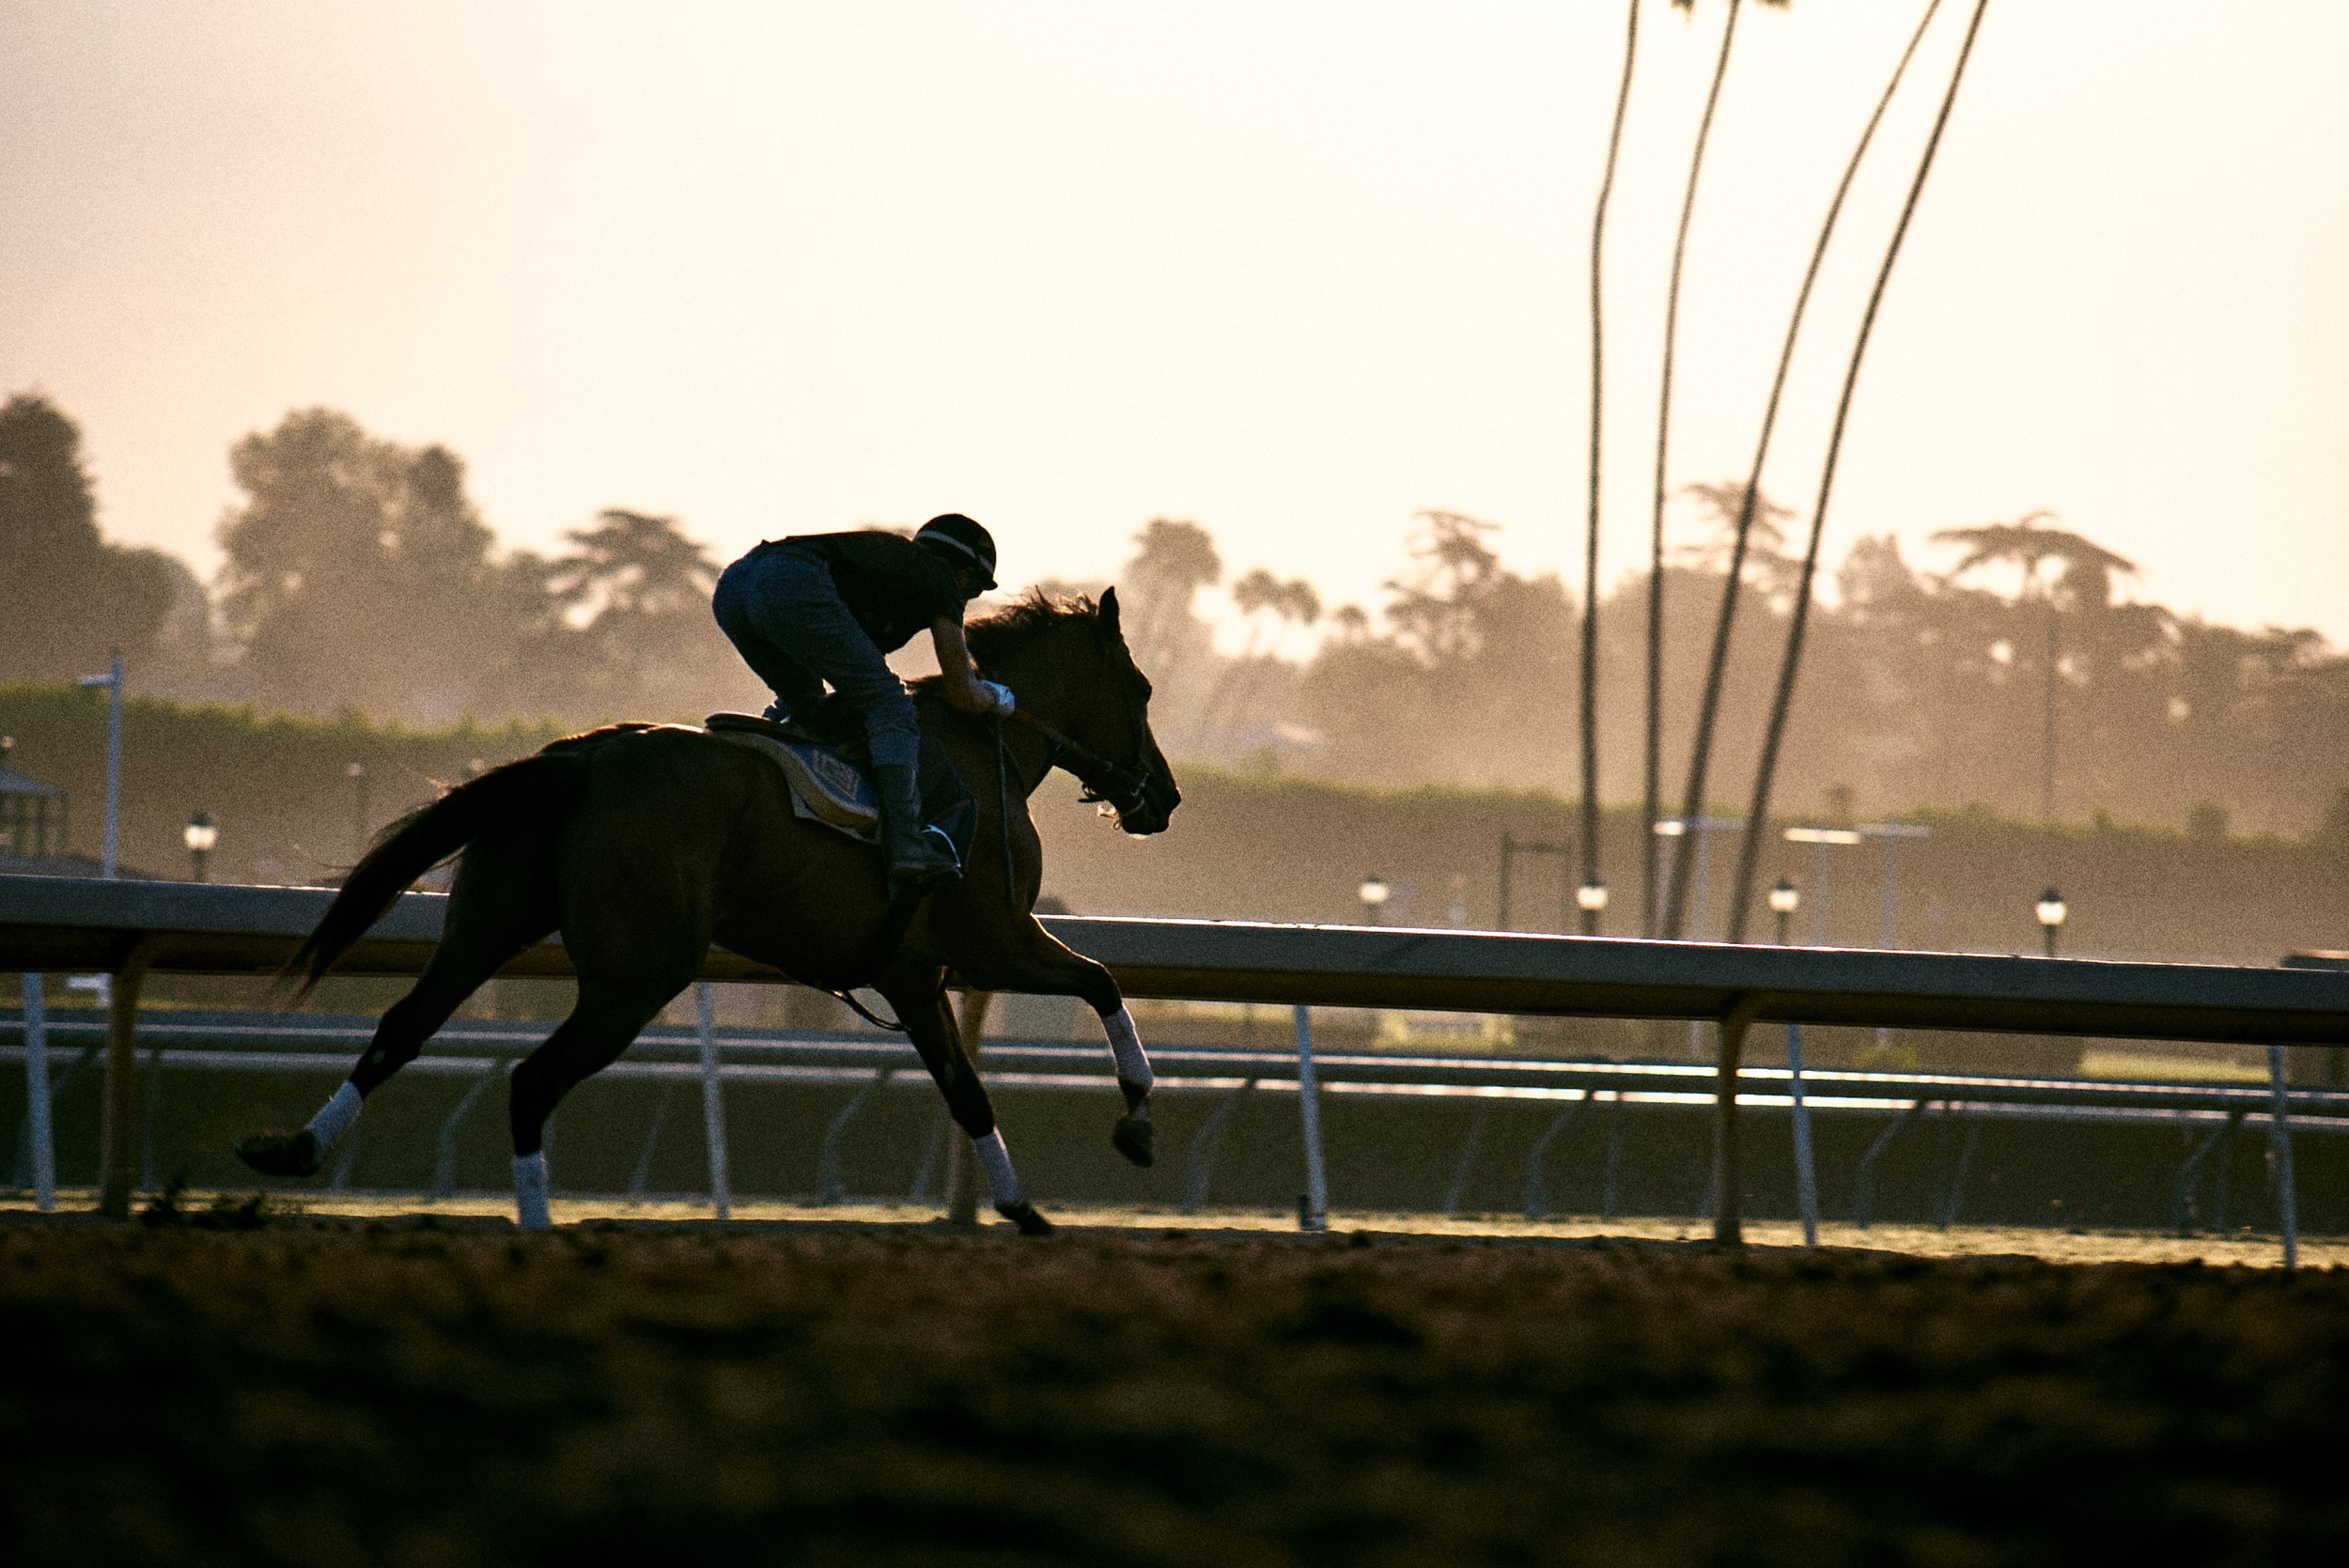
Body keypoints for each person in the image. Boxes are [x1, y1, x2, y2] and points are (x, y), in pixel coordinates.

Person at [711, 513, 1013, 883]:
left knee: (807, 704)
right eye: (976, 587)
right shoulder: (939, 575)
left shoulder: (888, 579)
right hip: (788, 578)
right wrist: (997, 697)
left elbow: (848, 679)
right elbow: (962, 693)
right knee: (892, 704)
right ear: (963, 571)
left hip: (734, 584)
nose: (970, 597)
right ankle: (906, 841)